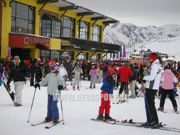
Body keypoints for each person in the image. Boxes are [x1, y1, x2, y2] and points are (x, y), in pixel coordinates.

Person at [142, 53, 163, 128]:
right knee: (149, 105)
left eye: (150, 58)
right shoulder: (156, 64)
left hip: (151, 87)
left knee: (150, 105)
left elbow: (152, 77)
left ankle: (153, 121)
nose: (149, 59)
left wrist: (144, 77)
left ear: (153, 58)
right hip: (152, 87)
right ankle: (150, 120)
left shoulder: (155, 65)